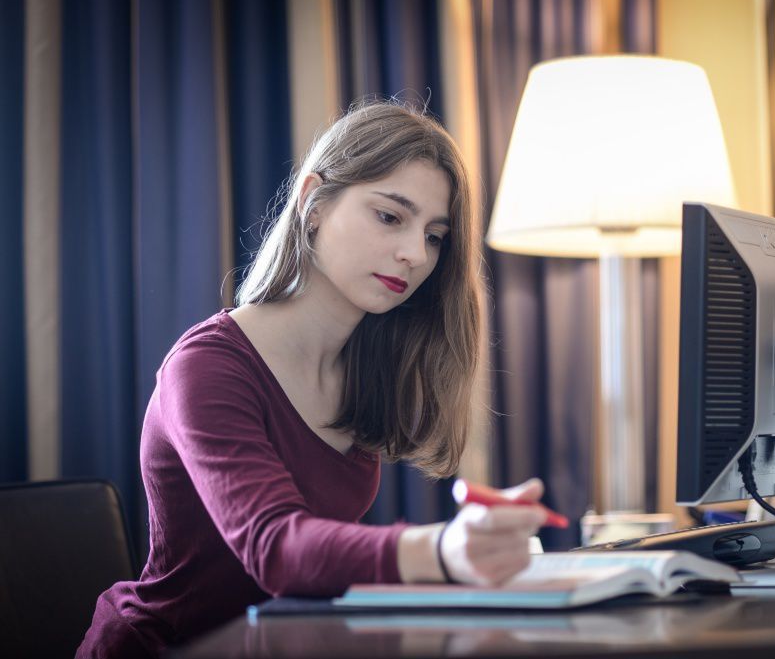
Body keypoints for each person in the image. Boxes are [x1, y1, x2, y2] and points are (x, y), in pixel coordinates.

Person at [77, 100, 549, 659]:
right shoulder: (205, 366)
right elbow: (275, 547)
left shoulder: (364, 372)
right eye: (390, 216)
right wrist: (443, 550)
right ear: (313, 204)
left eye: (434, 235)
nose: (414, 255)